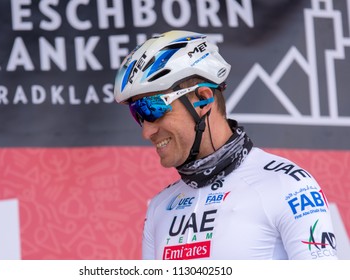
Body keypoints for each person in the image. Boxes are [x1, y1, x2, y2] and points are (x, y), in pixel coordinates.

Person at [113, 30, 338, 260]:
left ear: (202, 99)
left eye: (151, 108)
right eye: (137, 114)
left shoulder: (288, 186)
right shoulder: (160, 208)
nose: (146, 131)